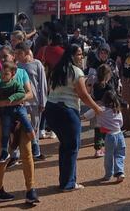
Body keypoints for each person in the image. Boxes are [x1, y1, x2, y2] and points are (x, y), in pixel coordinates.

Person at [43, 43, 102, 191]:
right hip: (67, 111)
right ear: (72, 56)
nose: (81, 57)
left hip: (51, 109)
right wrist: (96, 108)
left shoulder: (57, 69)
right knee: (72, 147)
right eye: (79, 54)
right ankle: (68, 183)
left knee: (65, 146)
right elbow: (83, 95)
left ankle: (65, 181)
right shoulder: (76, 71)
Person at [0, 61, 35, 163]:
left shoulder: (16, 84)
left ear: (13, 74)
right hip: (5, 112)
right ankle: (4, 151)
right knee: (5, 130)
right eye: (1, 73)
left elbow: (23, 93)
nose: (3, 76)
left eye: (6, 74)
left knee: (25, 120)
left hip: (18, 109)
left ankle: (34, 140)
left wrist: (12, 98)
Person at [13, 42, 47, 161]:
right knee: (19, 127)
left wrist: (43, 101)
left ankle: (35, 148)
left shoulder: (37, 64)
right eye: (15, 53)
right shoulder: (16, 66)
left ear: (27, 52)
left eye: (19, 53)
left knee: (35, 126)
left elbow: (42, 83)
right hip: (21, 101)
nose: (17, 56)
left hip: (35, 101)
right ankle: (16, 152)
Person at [84, 90, 126, 182]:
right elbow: (121, 123)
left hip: (109, 135)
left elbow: (86, 116)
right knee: (120, 154)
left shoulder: (100, 109)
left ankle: (108, 175)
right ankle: (120, 172)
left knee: (109, 156)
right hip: (119, 134)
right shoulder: (117, 110)